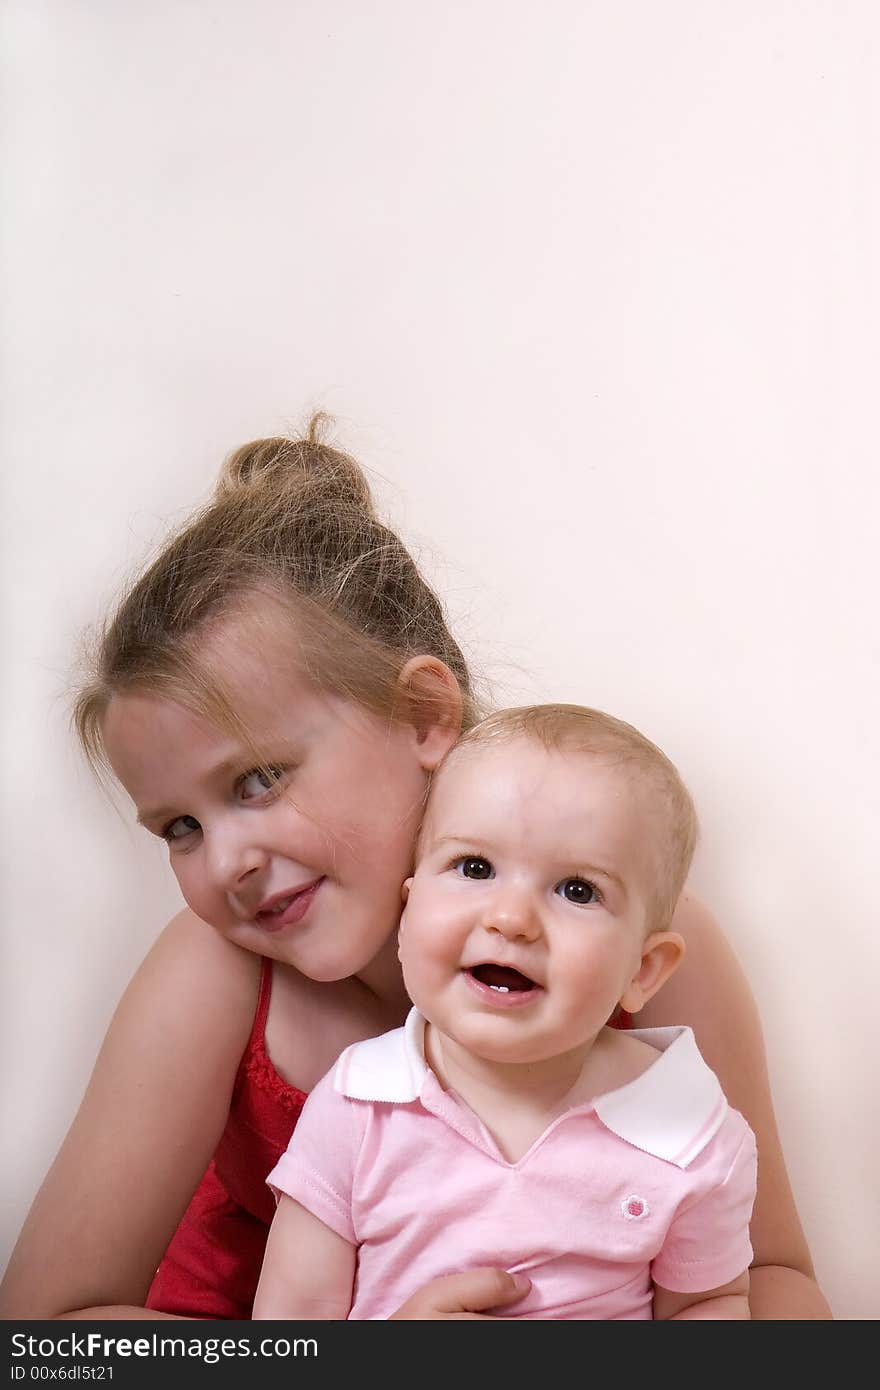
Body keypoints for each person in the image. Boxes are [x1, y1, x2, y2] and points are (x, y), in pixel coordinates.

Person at [0, 422, 831, 1321]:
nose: (228, 859)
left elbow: (771, 1277)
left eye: (260, 779)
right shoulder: (214, 972)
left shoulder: (641, 946)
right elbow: (48, 1335)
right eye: (180, 828)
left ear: (423, 714)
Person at [254, 704, 757, 1320]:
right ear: (409, 917)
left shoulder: (690, 1136)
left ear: (642, 971)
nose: (511, 918)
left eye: (577, 890)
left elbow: (706, 1307)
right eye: (474, 868)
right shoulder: (359, 1106)